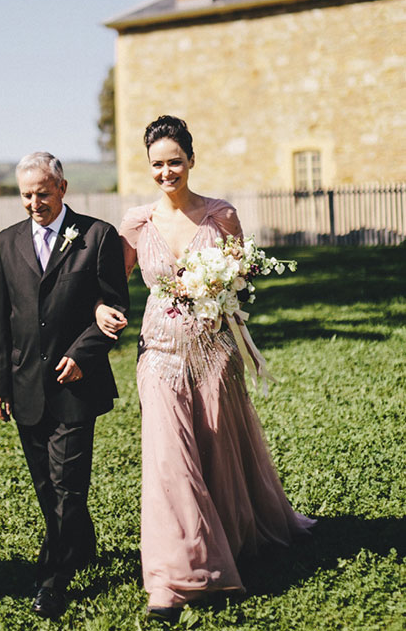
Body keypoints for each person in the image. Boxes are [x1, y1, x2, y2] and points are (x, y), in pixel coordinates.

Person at [96, 116, 314, 622]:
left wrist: (224, 283)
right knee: (168, 462)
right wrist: (101, 308)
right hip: (158, 354)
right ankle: (173, 578)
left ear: (191, 160)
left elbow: (242, 274)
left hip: (215, 351)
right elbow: (111, 285)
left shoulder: (221, 215)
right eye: (157, 164)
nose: (166, 172)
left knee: (218, 449)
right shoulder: (137, 223)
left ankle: (232, 538)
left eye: (174, 161)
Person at [0, 151, 129, 620]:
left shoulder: (97, 236)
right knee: (46, 486)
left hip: (76, 386)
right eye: (26, 195)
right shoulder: (6, 242)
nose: (34, 203)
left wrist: (84, 354)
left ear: (62, 189)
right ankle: (80, 546)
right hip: (24, 384)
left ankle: (52, 579)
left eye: (43, 194)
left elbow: (116, 308)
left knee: (69, 486)